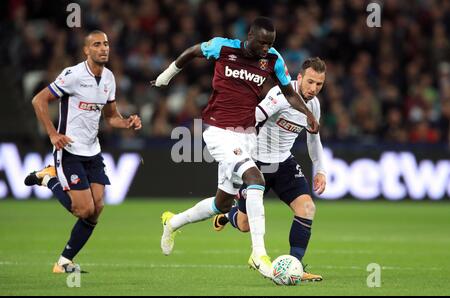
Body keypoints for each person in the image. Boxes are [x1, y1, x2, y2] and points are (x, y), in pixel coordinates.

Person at [151, 17, 319, 279]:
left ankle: (172, 223)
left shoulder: (273, 59)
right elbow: (193, 51)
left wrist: (307, 113)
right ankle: (259, 254)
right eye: (262, 42)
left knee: (221, 203)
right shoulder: (223, 47)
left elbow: (288, 91)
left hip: (245, 136)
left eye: (270, 43)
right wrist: (167, 75)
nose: (266, 48)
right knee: (256, 179)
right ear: (249, 36)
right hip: (217, 131)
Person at [24, 30, 142, 273]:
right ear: (86, 51)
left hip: (92, 150)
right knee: (82, 209)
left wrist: (127, 122)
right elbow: (39, 100)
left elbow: (111, 118)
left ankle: (64, 262)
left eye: (106, 44)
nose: (103, 48)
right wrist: (52, 134)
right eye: (97, 44)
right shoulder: (73, 75)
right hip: (69, 150)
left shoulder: (109, 78)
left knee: (97, 209)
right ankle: (48, 177)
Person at [212, 57, 327, 282]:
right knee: (244, 225)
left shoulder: (313, 105)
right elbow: (252, 118)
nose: (314, 89)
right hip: (256, 165)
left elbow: (314, 139)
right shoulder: (279, 95)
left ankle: (296, 266)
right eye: (310, 82)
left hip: (283, 162)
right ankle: (228, 214)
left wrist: (320, 170)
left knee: (307, 208)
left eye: (319, 84)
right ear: (299, 78)